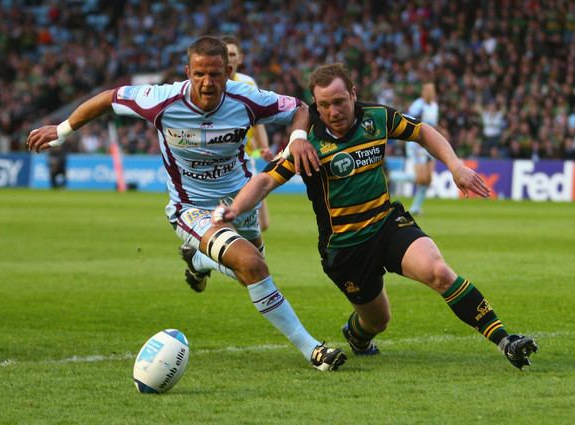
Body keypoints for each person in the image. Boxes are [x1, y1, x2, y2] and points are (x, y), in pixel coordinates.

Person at [26, 36, 345, 372]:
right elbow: (109, 98)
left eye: (216, 74)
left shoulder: (246, 99)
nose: (207, 83)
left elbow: (300, 109)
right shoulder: (161, 100)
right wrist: (62, 130)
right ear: (187, 72)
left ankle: (200, 260)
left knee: (248, 273)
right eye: (199, 74)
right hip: (190, 208)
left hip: (240, 201)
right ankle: (313, 350)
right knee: (252, 265)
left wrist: (296, 138)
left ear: (228, 73)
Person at [213, 63, 538, 370]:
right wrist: (235, 210)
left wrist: (455, 166)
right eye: (324, 105)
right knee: (377, 321)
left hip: (387, 224)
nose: (333, 111)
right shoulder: (306, 143)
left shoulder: (376, 118)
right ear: (315, 103)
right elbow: (266, 180)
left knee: (438, 272)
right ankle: (357, 334)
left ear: (353, 94)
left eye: (339, 101)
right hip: (345, 249)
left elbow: (422, 131)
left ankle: (505, 340)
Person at [221, 35, 273, 231]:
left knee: (262, 223)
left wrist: (264, 147)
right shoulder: (213, 85)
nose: (229, 58)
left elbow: (257, 120)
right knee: (231, 221)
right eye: (225, 54)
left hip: (247, 157)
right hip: (223, 160)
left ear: (239, 58)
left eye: (232, 54)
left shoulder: (248, 83)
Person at [390, 82, 439, 215]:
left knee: (428, 180)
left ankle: (416, 207)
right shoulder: (418, 105)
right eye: (427, 90)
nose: (429, 93)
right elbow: (410, 121)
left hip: (429, 143)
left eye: (431, 90)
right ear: (423, 92)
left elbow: (433, 125)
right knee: (420, 178)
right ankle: (391, 176)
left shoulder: (434, 106)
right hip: (417, 144)